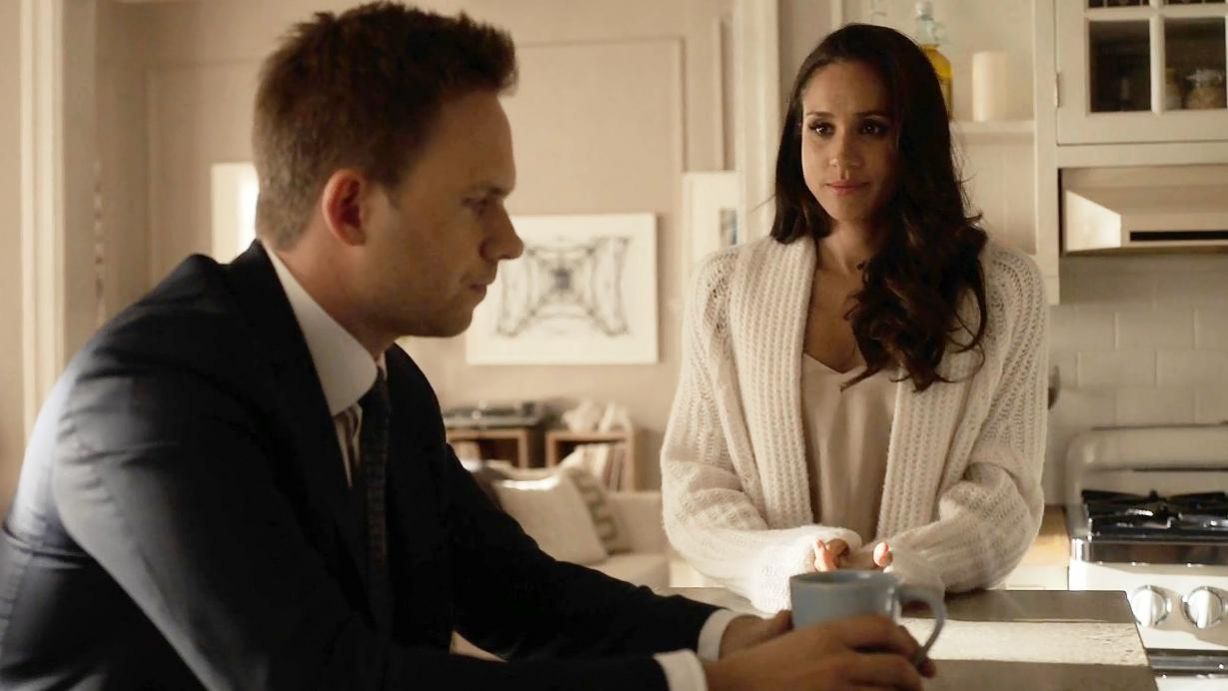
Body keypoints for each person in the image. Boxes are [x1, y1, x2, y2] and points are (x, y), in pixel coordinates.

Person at [0, 4, 936, 690]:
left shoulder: (388, 385)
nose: (511, 240)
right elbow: (313, 678)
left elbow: (520, 596)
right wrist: (718, 685)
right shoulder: (151, 394)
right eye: (478, 201)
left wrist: (734, 637)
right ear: (351, 207)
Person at [661, 23, 1049, 614]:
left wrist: (904, 563)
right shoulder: (725, 289)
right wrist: (790, 562)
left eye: (872, 128)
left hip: (931, 625)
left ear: (913, 139)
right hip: (776, 628)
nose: (841, 156)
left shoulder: (1003, 290)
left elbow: (1007, 497)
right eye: (821, 128)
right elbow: (696, 489)